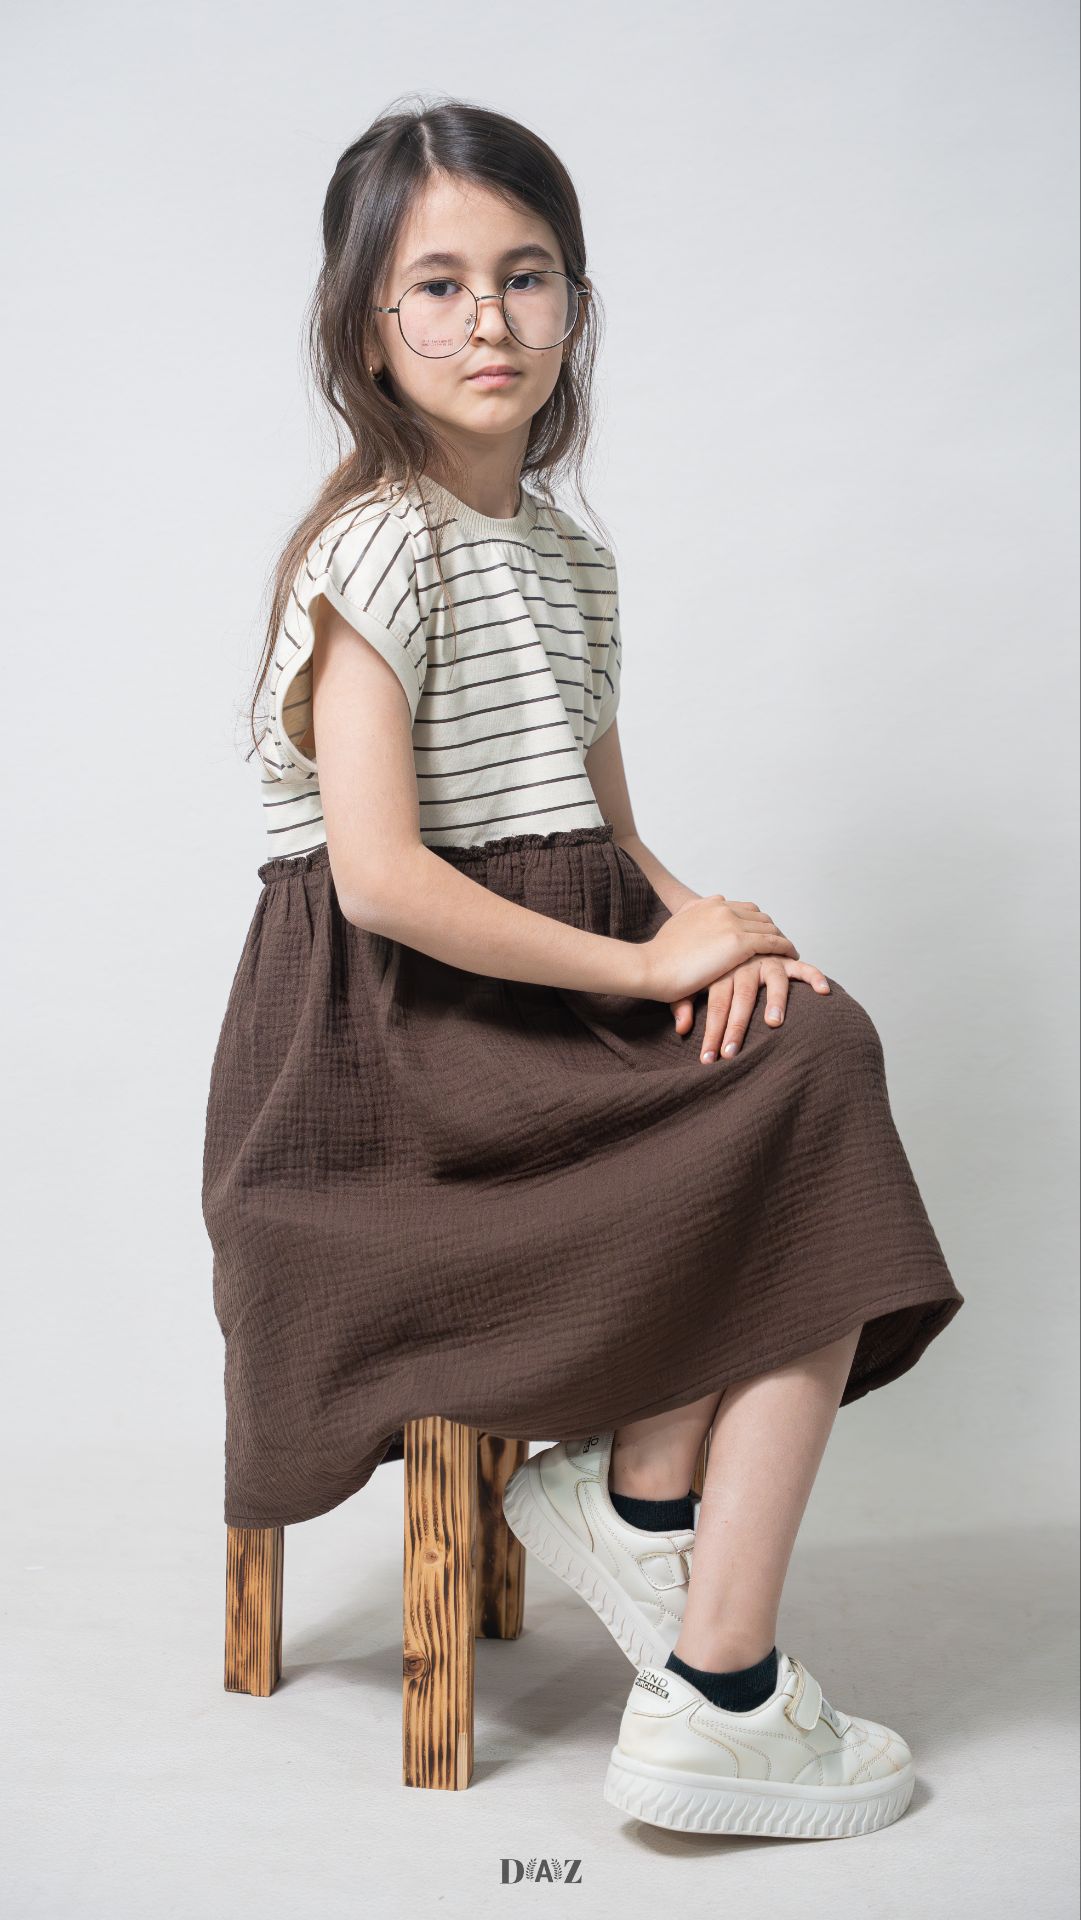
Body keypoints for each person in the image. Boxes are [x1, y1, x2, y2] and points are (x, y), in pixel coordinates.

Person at [201, 97, 965, 1839]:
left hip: (537, 1022)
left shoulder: (564, 552)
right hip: (392, 1075)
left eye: (526, 276)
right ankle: (715, 1670)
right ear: (363, 329)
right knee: (810, 1093)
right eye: (437, 285)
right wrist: (643, 980)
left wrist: (718, 935)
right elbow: (382, 883)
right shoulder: (378, 544)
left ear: (574, 304)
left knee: (811, 1046)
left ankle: (659, 1532)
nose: (489, 320)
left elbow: (603, 833)